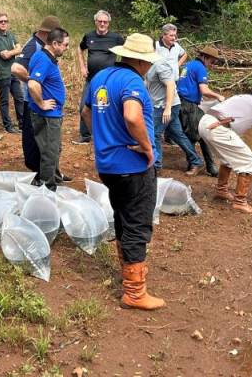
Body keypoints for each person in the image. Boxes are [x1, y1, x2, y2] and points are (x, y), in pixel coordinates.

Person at [80, 33, 164, 311]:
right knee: (138, 222)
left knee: (123, 217)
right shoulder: (131, 80)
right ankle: (135, 292)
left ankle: (128, 273)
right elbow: (131, 115)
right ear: (142, 61)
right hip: (133, 166)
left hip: (108, 165)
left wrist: (103, 138)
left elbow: (85, 113)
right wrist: (147, 147)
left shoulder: (101, 77)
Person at [12, 15, 61, 174]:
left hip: (41, 101)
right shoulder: (33, 46)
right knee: (34, 140)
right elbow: (15, 68)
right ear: (47, 33)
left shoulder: (43, 46)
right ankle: (39, 173)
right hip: (32, 102)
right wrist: (32, 81)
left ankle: (52, 171)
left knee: (49, 141)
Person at [27, 27, 70, 190]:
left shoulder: (43, 56)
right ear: (54, 43)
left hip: (52, 113)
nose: (66, 48)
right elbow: (32, 84)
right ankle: (47, 187)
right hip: (47, 114)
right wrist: (41, 103)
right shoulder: (43, 60)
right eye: (65, 45)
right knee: (49, 151)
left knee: (54, 147)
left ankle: (55, 176)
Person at [74, 10, 125, 144]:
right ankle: (86, 136)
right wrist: (82, 67)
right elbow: (80, 49)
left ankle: (109, 136)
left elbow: (127, 52)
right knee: (83, 107)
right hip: (91, 79)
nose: (102, 24)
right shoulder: (89, 36)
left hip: (109, 81)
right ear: (95, 22)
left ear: (108, 23)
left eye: (105, 22)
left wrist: (121, 70)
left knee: (106, 107)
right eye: (100, 21)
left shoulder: (116, 38)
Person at [146, 55, 203, 175]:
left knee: (155, 134)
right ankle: (196, 161)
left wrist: (167, 108)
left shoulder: (160, 65)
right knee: (178, 135)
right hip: (160, 105)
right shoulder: (150, 64)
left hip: (165, 106)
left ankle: (156, 166)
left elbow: (171, 85)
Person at [177, 46, 226, 176]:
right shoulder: (200, 68)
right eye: (212, 61)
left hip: (183, 102)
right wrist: (218, 96)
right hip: (188, 106)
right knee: (193, 136)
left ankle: (211, 167)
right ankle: (194, 164)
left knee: (204, 131)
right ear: (204, 57)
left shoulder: (189, 65)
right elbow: (204, 90)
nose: (212, 64)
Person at [0, 13, 25, 134]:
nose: (3, 23)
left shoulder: (10, 34)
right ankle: (8, 126)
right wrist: (15, 51)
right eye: (0, 21)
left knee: (19, 97)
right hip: (3, 73)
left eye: (5, 21)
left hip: (13, 71)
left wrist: (12, 52)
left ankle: (22, 123)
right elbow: (4, 55)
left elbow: (20, 48)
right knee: (5, 100)